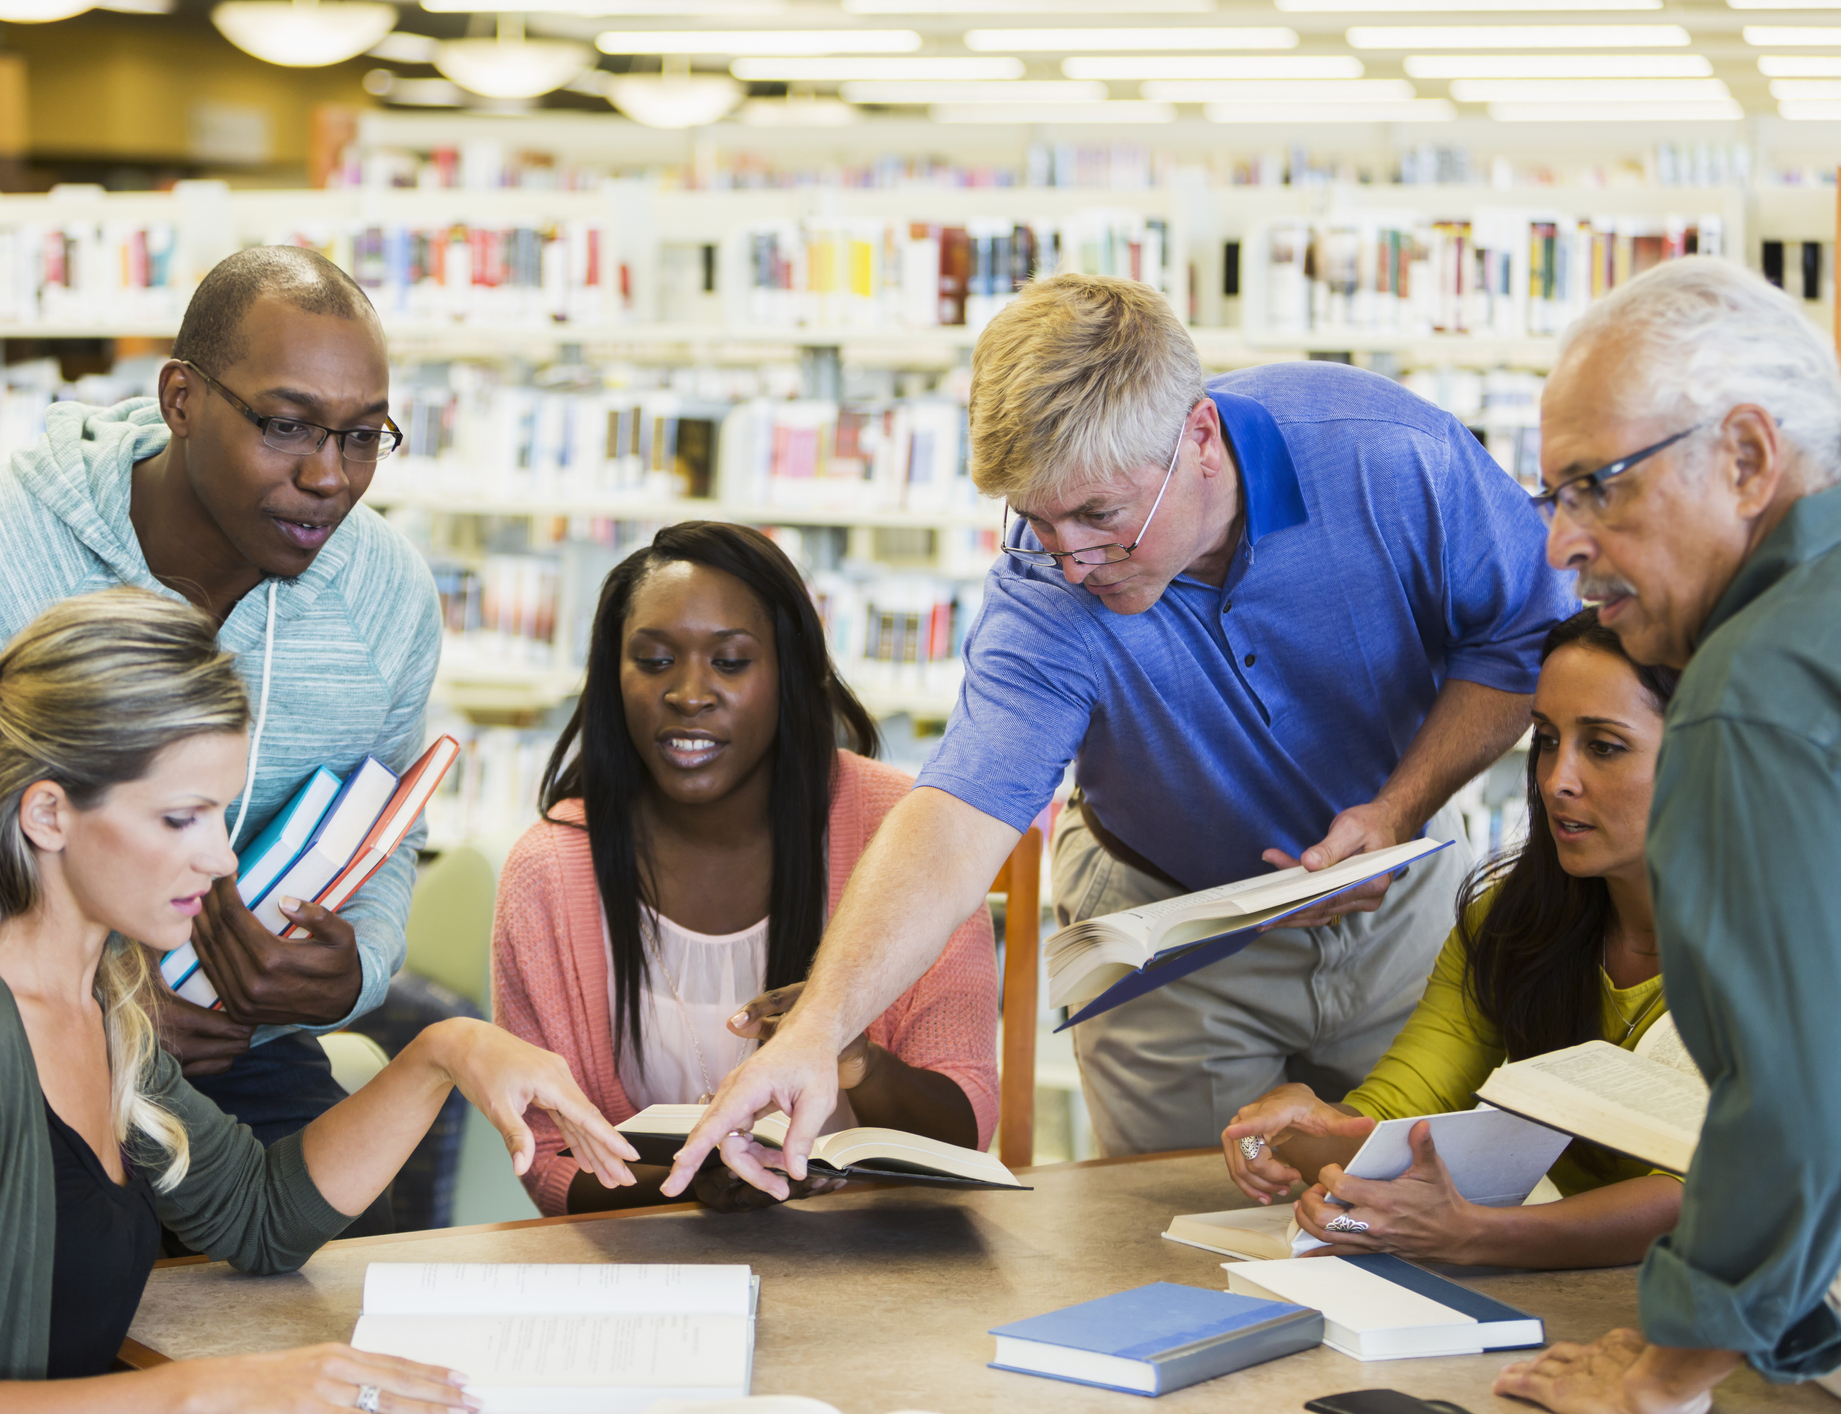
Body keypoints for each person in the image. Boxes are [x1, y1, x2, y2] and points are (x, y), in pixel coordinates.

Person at [664, 272, 1572, 1202]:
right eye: (1036, 518)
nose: (1069, 558)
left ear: (1201, 439)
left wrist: (1398, 807)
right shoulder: (1042, 587)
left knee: (1417, 1198)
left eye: (1098, 516)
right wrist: (818, 1027)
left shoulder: (1389, 457)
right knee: (1190, 1231)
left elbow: (1520, 636)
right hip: (1165, 934)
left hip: (1399, 903)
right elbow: (960, 811)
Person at [0, 590, 638, 1414]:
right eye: (181, 818)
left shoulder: (98, 1001)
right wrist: (200, 1394)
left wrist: (447, 1050)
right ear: (48, 814)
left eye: (220, 813)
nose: (220, 860)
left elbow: (260, 1215)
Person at [0, 247, 440, 1233]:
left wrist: (354, 968)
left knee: (342, 1282)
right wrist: (72, 990)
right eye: (285, 426)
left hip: (231, 1056)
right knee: (72, 1291)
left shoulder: (386, 597)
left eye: (364, 435)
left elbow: (386, 837)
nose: (329, 475)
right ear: (180, 399)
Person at [1484, 265, 1841, 1410]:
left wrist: (1663, 1373)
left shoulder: (1751, 691)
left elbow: (1798, 1088)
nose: (1561, 546)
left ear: (1744, 457)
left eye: (1595, 487)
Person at [493, 521, 999, 1215]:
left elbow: (965, 1132)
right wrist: (696, 1189)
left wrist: (854, 1057)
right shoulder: (550, 868)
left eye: (729, 662)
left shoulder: (905, 833)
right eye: (653, 660)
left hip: (878, 1258)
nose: (689, 693)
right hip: (658, 1269)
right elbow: (549, 1161)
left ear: (791, 675)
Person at [1220, 608, 1682, 1269]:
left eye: (1603, 746)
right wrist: (1297, 1130)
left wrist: (1472, 1232)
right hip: (1590, 1305)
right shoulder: (1511, 921)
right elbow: (1401, 1119)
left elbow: (1721, 1193)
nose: (1557, 781)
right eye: (1546, 740)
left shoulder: (1791, 944)